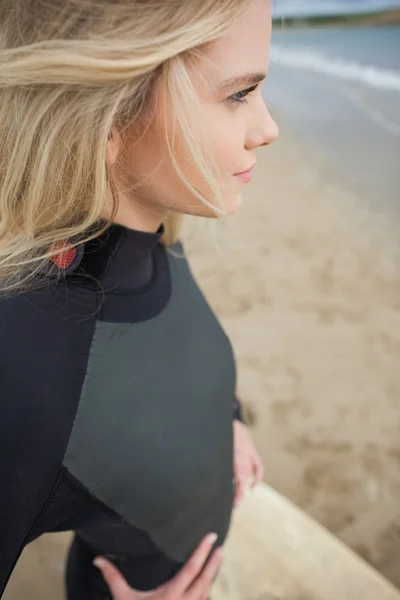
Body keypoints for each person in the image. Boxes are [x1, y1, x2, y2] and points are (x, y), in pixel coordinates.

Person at [0, 0, 279, 598]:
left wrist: (222, 419)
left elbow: (171, 349)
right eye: (239, 94)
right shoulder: (24, 359)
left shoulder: (158, 230)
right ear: (108, 119)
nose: (268, 128)